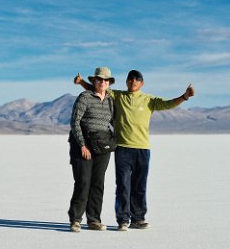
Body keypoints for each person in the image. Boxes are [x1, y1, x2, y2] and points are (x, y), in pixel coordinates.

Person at [74, 69, 195, 231]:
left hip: (143, 149)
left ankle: (138, 219)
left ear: (141, 83)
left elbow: (168, 104)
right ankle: (123, 219)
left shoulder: (149, 100)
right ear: (126, 82)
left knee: (139, 186)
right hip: (123, 149)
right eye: (130, 80)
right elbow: (97, 88)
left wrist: (185, 96)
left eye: (136, 80)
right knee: (123, 186)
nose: (133, 82)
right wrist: (81, 82)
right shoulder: (118, 96)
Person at [68, 67, 116, 232]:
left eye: (106, 80)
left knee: (98, 183)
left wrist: (112, 141)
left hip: (103, 146)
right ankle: (75, 219)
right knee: (83, 182)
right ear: (94, 81)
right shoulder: (85, 97)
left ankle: (94, 219)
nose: (103, 82)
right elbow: (75, 122)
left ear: (109, 83)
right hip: (83, 145)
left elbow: (115, 122)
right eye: (99, 79)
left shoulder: (111, 100)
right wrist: (82, 145)